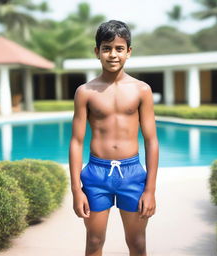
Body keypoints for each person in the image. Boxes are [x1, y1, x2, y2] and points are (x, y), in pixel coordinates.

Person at [69, 20, 159, 256]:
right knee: (94, 242)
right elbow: (76, 141)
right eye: (107, 48)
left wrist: (150, 189)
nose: (113, 54)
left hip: (132, 174)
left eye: (119, 48)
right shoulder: (85, 92)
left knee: (137, 243)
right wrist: (76, 189)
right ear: (97, 51)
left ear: (129, 52)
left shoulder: (142, 90)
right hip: (96, 175)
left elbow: (151, 141)